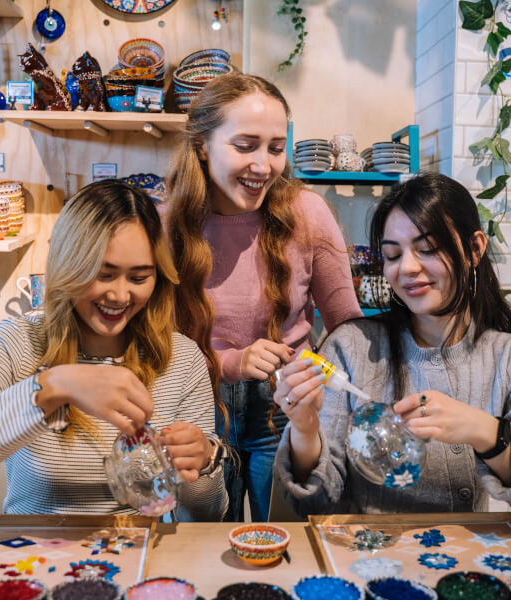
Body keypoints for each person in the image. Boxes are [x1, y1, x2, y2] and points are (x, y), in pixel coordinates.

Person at [272, 173, 511, 529]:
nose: (406, 268)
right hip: (365, 558)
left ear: (474, 249)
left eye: (427, 249)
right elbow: (315, 504)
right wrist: (304, 428)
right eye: (393, 255)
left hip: (463, 565)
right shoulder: (352, 348)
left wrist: (487, 433)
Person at [0, 180, 227, 520]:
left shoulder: (182, 359)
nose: (119, 296)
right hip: (29, 558)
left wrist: (203, 463)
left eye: (139, 277)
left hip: (139, 557)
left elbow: (204, 518)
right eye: (103, 274)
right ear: (68, 266)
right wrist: (51, 388)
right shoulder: (15, 344)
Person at [166, 73, 362, 521]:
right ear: (202, 145)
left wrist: (319, 377)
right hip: (197, 408)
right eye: (245, 145)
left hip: (287, 407)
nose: (263, 166)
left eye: (275, 148)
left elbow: (348, 328)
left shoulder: (306, 212)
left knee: (291, 534)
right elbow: (161, 342)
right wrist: (230, 362)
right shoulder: (167, 224)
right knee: (204, 543)